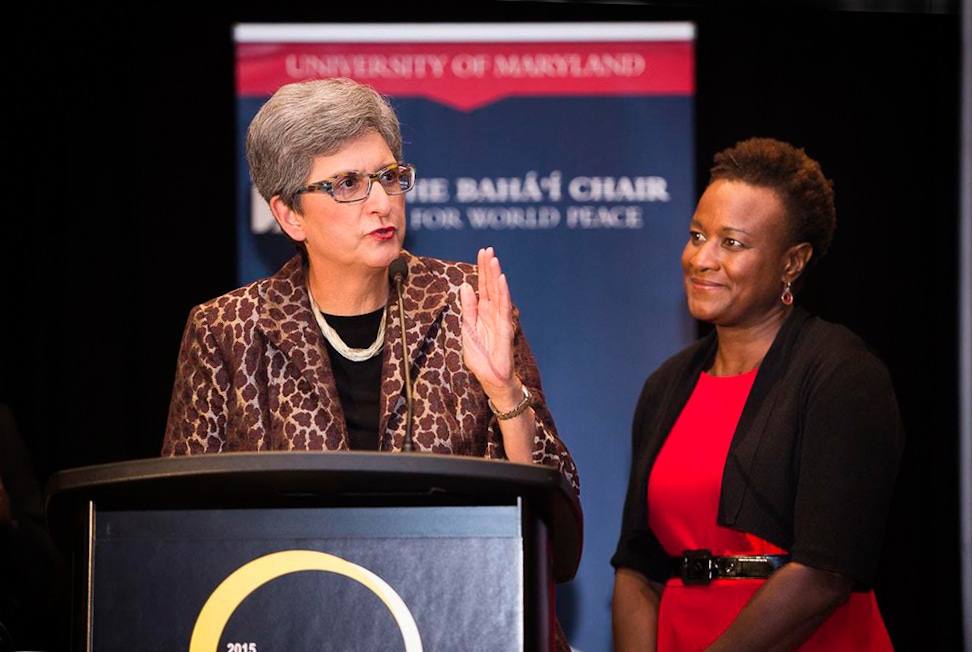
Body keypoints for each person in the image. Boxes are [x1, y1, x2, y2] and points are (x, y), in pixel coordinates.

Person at [161, 77, 580, 650]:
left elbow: (558, 518)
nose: (382, 201)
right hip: (297, 627)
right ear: (290, 216)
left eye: (389, 176)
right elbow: (178, 532)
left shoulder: (464, 300)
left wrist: (504, 393)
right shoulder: (227, 331)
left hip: (464, 618)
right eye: (349, 184)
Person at [610, 137, 904, 651]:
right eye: (697, 234)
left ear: (792, 263)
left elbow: (824, 573)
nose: (702, 258)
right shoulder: (666, 386)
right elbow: (637, 569)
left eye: (733, 243)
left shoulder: (842, 374)